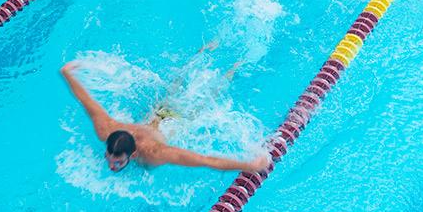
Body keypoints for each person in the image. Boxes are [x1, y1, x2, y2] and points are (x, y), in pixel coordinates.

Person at [60, 53, 269, 174]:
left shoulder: (156, 153)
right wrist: (67, 73)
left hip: (178, 120)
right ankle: (207, 50)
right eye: (109, 158)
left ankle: (238, 65)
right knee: (177, 87)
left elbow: (206, 160)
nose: (111, 166)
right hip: (159, 112)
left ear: (134, 155)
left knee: (213, 92)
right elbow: (86, 100)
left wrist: (249, 166)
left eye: (118, 162)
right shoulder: (106, 130)